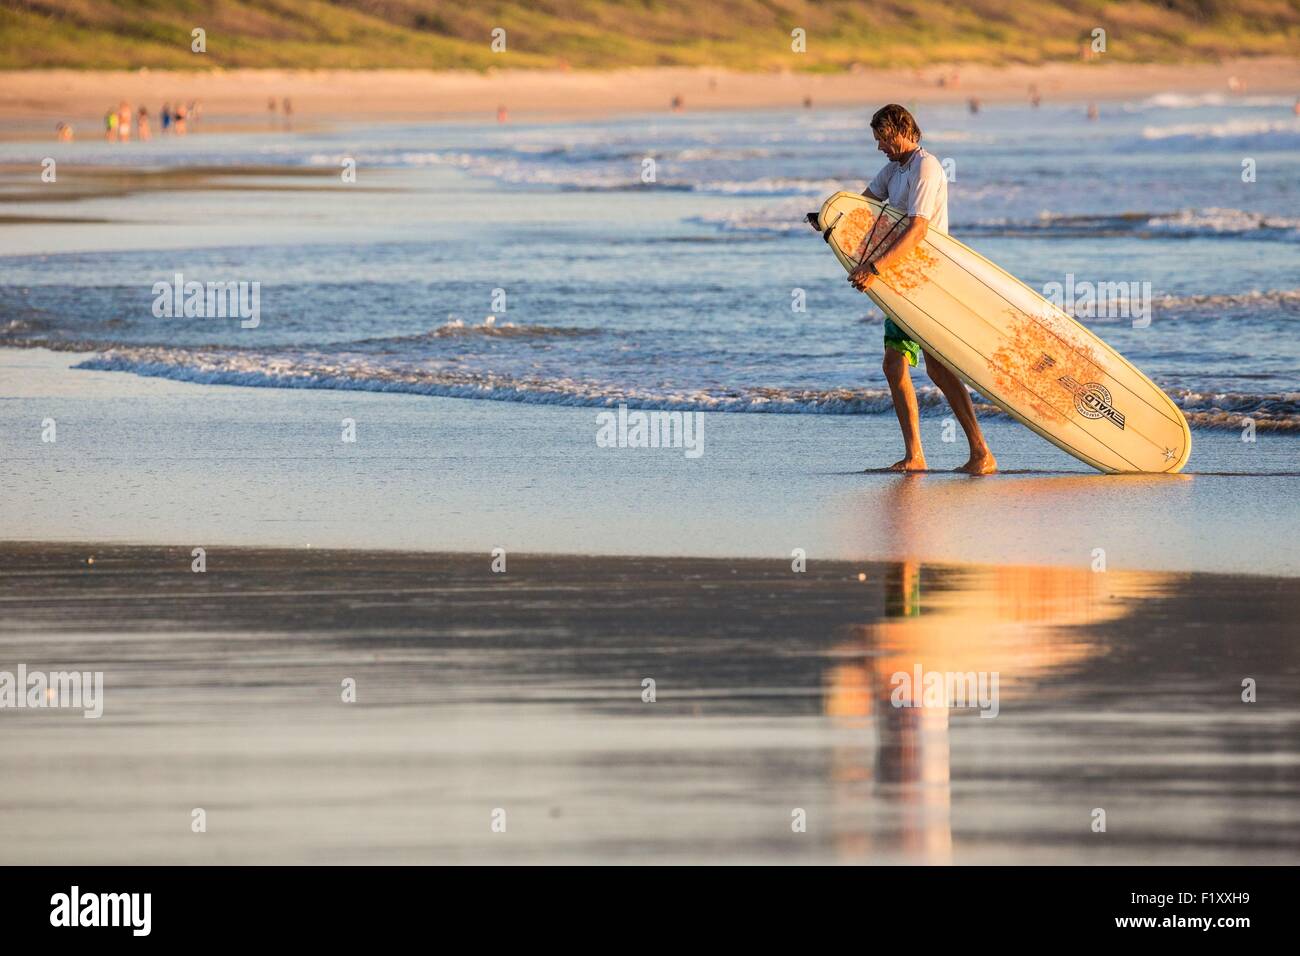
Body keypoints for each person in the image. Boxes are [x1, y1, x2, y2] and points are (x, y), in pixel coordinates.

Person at [813, 103, 996, 474]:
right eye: (877, 139)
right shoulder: (895, 170)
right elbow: (863, 207)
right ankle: (918, 456)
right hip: (902, 281)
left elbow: (918, 230)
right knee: (897, 365)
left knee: (937, 368)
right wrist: (826, 220)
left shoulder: (926, 168)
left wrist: (874, 267)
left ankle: (980, 452)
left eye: (883, 137)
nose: (879, 145)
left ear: (902, 130)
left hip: (925, 281)